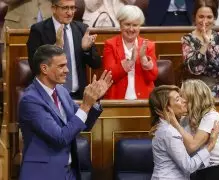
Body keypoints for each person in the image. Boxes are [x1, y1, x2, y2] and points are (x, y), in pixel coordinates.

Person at [18, 44, 113, 180]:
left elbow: (83, 123)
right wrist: (85, 105)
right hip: (43, 174)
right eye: (61, 66)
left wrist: (95, 100)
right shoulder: (31, 100)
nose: (67, 70)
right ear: (44, 68)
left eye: (66, 65)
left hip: (68, 172)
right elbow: (60, 138)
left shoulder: (61, 91)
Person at [168, 79, 219, 180]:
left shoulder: (211, 116)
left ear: (193, 97)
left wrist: (175, 124)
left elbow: (192, 146)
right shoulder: (185, 119)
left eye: (182, 96)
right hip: (201, 172)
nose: (181, 100)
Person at [27, 0, 101, 99]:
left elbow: (96, 64)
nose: (70, 13)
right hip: (50, 96)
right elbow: (35, 66)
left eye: (72, 8)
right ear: (54, 8)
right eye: (65, 8)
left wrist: (86, 49)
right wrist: (56, 47)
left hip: (78, 96)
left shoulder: (82, 29)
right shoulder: (39, 30)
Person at [149, 85, 219, 180]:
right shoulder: (169, 132)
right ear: (167, 108)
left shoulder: (166, 128)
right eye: (178, 99)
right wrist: (210, 146)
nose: (184, 101)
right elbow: (189, 166)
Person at [181, 0, 219, 98]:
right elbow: (194, 69)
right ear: (194, 17)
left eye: (209, 17)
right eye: (201, 16)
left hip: (217, 92)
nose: (205, 21)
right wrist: (205, 44)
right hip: (194, 92)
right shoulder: (187, 39)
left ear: (214, 18)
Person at [103, 5, 158, 99]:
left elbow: (152, 77)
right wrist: (130, 62)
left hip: (143, 99)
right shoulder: (110, 44)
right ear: (120, 24)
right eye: (127, 24)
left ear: (140, 26)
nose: (131, 29)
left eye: (135, 25)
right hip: (117, 99)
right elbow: (109, 76)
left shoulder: (148, 45)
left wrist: (144, 60)